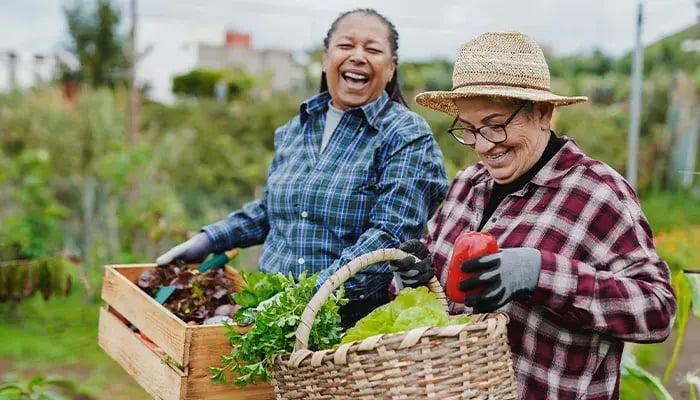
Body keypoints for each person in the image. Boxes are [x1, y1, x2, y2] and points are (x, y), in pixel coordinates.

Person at [390, 31, 676, 399]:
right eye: (469, 129)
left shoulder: (597, 192)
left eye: (495, 125)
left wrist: (543, 273)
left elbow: (657, 311)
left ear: (542, 113)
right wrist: (416, 281)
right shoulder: (466, 184)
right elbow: (447, 304)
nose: (482, 145)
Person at [156, 8, 449, 328]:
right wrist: (211, 239)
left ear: (391, 68)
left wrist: (297, 302)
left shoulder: (406, 135)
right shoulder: (297, 128)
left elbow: (388, 238)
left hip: (342, 327)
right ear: (326, 59)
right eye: (346, 45)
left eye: (373, 49)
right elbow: (273, 209)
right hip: (262, 316)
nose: (358, 56)